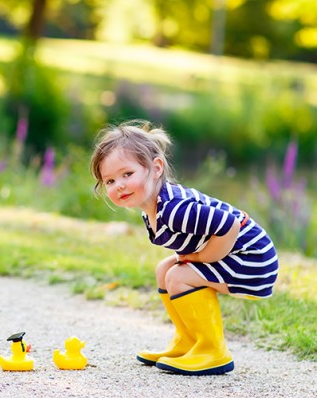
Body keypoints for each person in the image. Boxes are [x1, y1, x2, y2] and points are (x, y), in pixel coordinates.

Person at [90, 120, 278, 376]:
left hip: (253, 260)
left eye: (127, 174)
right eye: (109, 181)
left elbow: (230, 225)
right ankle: (187, 341)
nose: (119, 185)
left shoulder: (175, 209)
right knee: (164, 269)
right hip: (237, 254)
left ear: (156, 168)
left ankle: (213, 351)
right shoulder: (154, 209)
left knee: (179, 276)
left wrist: (202, 257)